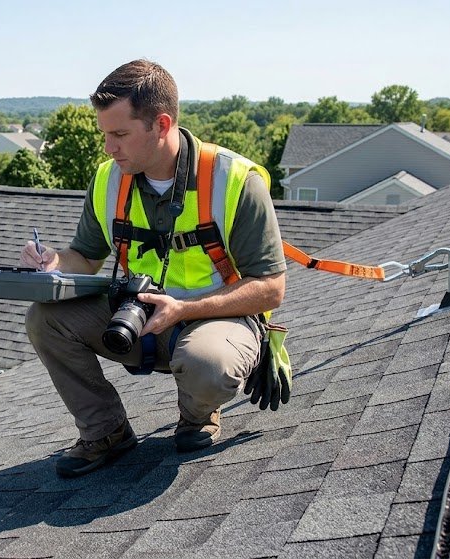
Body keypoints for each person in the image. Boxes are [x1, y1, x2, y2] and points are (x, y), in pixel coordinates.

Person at [21, 60, 286, 478]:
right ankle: (105, 431)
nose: (109, 147)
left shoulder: (234, 179)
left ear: (161, 125)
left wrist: (184, 309)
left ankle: (197, 415)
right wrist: (53, 262)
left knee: (208, 365)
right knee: (45, 319)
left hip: (213, 321)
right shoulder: (110, 179)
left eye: (120, 134)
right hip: (137, 320)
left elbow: (270, 288)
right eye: (105, 134)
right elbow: (85, 258)